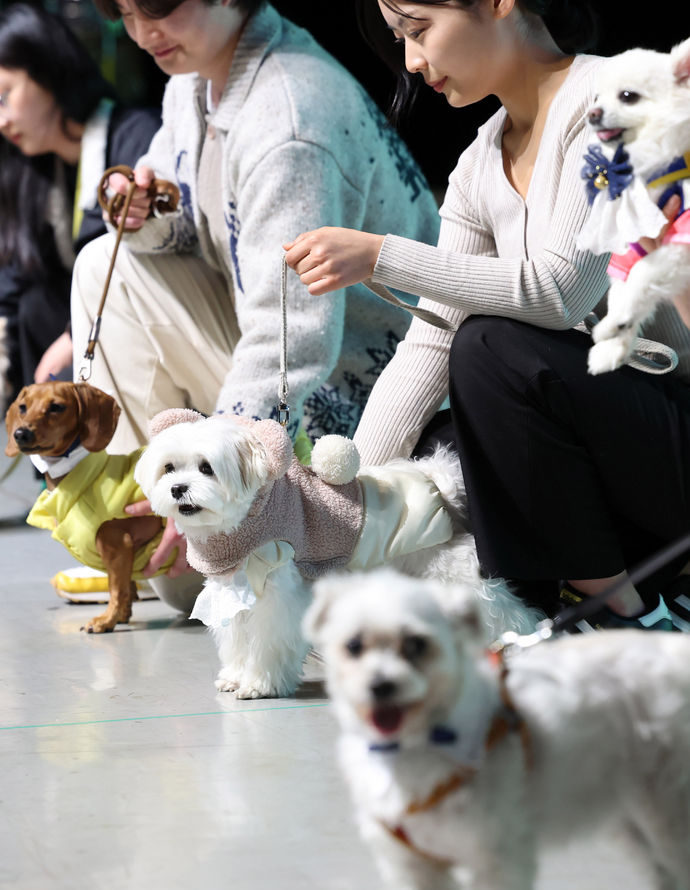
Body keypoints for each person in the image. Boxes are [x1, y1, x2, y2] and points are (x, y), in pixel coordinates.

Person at [285, 0, 690, 628]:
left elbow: (558, 292)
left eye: (419, 30)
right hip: (632, 438)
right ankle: (562, 592)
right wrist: (343, 508)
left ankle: (617, 607)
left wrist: (382, 257)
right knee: (444, 446)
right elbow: (429, 348)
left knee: (493, 352)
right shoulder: (479, 163)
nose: (411, 61)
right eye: (401, 38)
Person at [73, 0, 439, 590]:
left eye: (159, 6)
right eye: (124, 13)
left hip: (353, 409)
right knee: (104, 262)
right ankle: (136, 518)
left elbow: (292, 334)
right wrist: (143, 213)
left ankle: (218, 521)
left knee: (188, 586)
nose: (143, 32)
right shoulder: (194, 79)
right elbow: (185, 226)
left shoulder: (288, 117)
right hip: (296, 355)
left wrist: (228, 473)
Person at [0, 2, 160, 398]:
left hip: (141, 343)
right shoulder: (28, 172)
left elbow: (151, 267)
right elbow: (14, 283)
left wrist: (76, 334)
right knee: (33, 303)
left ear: (47, 70)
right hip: (76, 359)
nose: (1, 120)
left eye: (4, 95)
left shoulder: (136, 138)